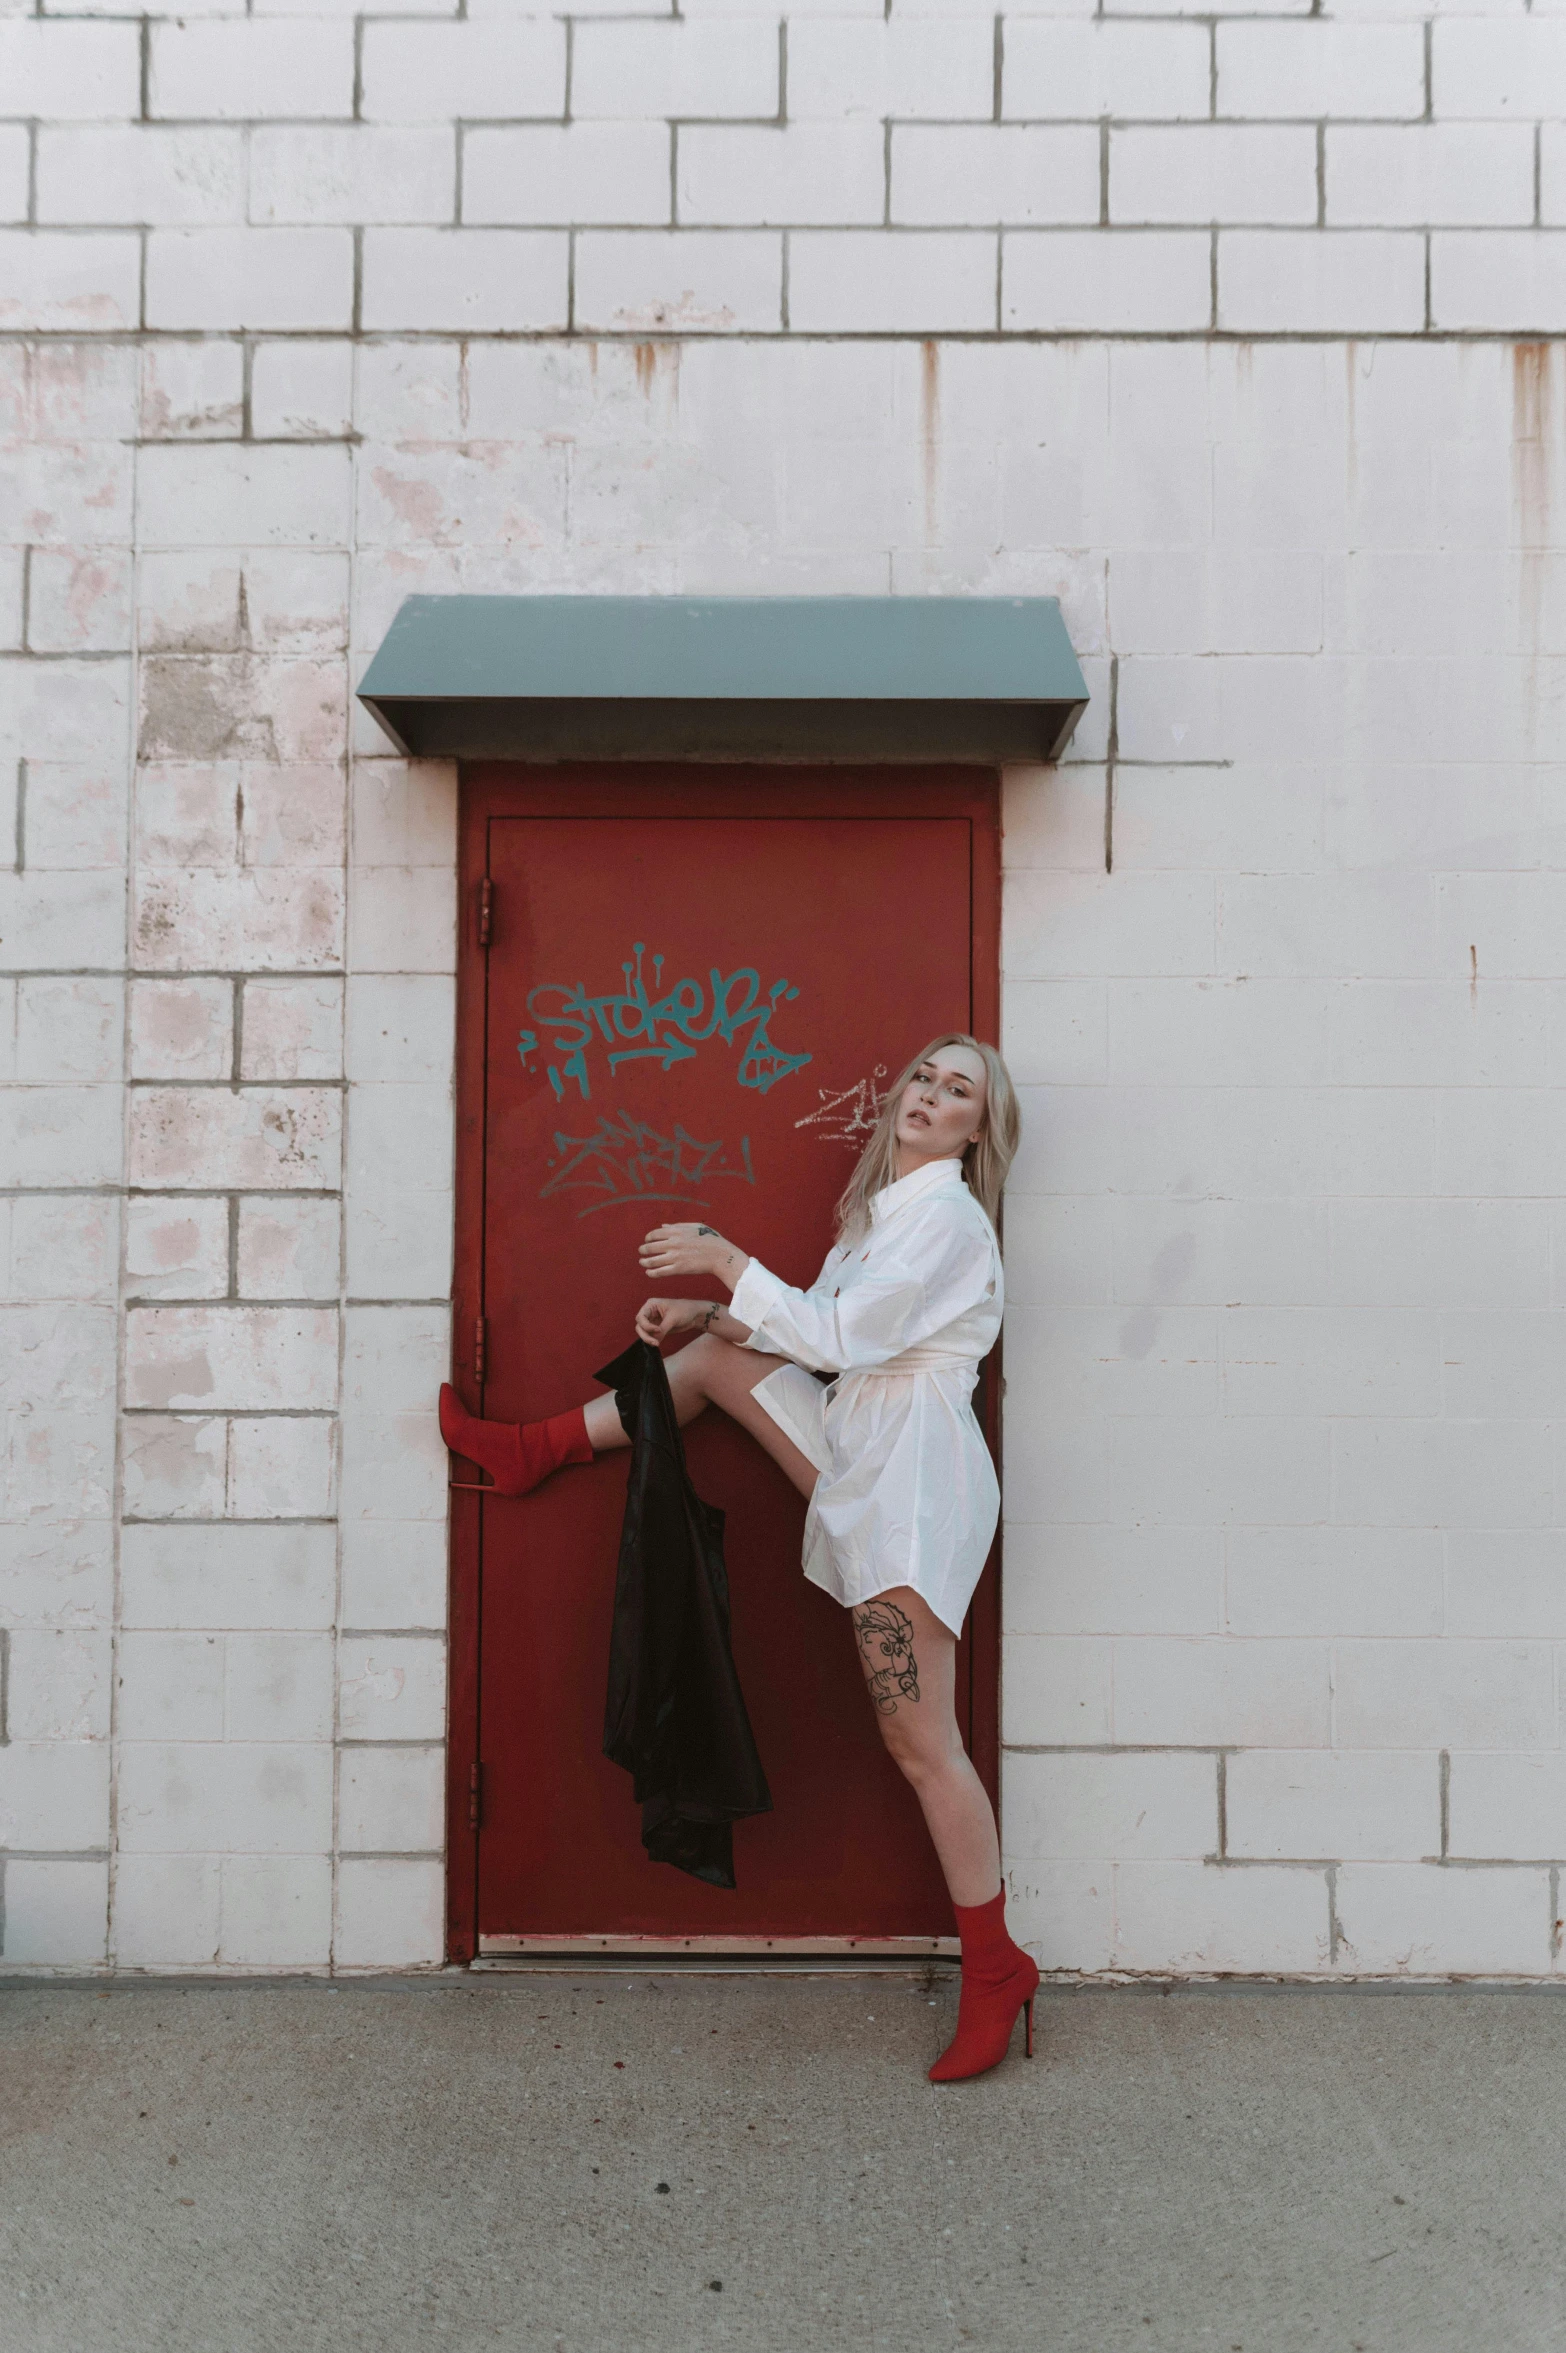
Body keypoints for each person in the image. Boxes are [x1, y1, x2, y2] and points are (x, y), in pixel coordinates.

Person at [439, 1033, 1036, 2083]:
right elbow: (814, 1336)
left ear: (978, 1128)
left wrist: (723, 1256)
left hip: (911, 1486)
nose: (932, 1096)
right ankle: (535, 1448)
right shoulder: (882, 1217)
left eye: (959, 1092)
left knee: (920, 1742)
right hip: (862, 1446)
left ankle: (996, 1967)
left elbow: (842, 1338)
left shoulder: (946, 1215)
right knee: (714, 1358)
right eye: (925, 1078)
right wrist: (717, 1312)